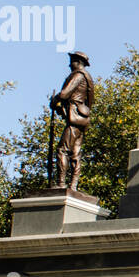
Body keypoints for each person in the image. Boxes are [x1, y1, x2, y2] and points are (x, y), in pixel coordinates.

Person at [50, 51, 94, 191]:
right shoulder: (88, 78)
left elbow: (65, 94)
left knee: (63, 150)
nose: (69, 65)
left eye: (72, 61)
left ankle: (62, 184)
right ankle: (73, 185)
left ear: (78, 62)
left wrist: (55, 100)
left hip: (74, 118)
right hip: (82, 119)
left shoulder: (78, 75)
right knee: (76, 153)